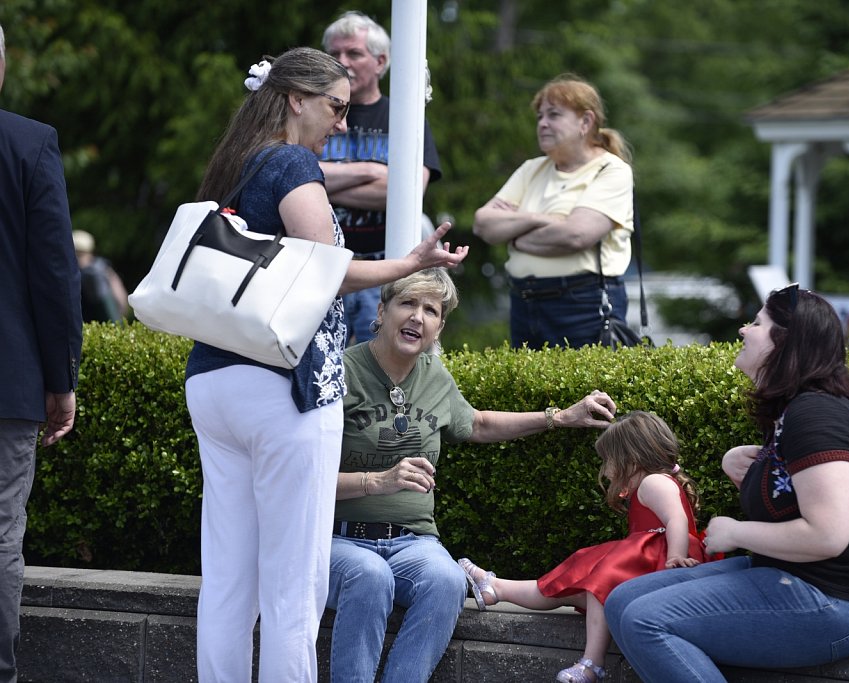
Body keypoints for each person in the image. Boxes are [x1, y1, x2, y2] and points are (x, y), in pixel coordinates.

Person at [183, 48, 467, 682]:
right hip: (283, 385)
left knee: (229, 576)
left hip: (214, 380)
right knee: (294, 582)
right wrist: (408, 263)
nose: (342, 122)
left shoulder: (236, 162)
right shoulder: (290, 159)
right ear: (296, 100)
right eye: (336, 106)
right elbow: (324, 269)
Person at [327, 267, 617, 683]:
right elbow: (297, 476)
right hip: (339, 537)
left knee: (447, 580)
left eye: (431, 310)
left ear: (439, 327)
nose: (417, 317)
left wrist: (560, 417)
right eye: (407, 303)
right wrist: (377, 481)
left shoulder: (434, 377)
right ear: (381, 310)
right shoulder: (341, 373)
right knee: (370, 577)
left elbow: (477, 424)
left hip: (412, 541)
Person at [604, 284, 849, 682]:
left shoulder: (814, 414)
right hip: (798, 580)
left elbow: (828, 535)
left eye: (757, 323)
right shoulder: (795, 411)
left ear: (784, 342)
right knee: (623, 598)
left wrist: (736, 531)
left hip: (842, 603)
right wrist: (743, 462)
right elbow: (793, 495)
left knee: (644, 619)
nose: (744, 330)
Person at [459, 411, 720, 683]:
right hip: (653, 560)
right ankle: (495, 587)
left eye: (608, 460)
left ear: (631, 459)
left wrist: (676, 556)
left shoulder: (654, 481)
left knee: (600, 582)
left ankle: (591, 665)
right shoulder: (655, 481)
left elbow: (675, 518)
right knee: (575, 587)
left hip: (663, 561)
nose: (605, 469)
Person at [0, 22, 83, 683]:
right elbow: (55, 273)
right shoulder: (29, 143)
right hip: (10, 379)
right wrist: (63, 378)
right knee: (0, 532)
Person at [472, 73, 634, 350]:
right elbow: (483, 224)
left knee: (586, 392)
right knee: (526, 393)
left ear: (586, 122)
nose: (542, 124)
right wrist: (541, 219)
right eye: (540, 116)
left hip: (583, 304)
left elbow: (575, 236)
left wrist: (516, 236)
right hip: (524, 302)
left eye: (554, 115)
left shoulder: (611, 170)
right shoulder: (531, 169)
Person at [320, 10, 443, 345]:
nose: (342, 61)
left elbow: (410, 190)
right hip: (323, 270)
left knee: (385, 368)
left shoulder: (404, 115)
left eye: (353, 53)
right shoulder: (314, 112)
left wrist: (323, 183)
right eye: (334, 54)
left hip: (386, 270)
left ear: (380, 61)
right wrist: (372, 172)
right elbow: (293, 176)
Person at [72, 229, 129, 323]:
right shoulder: (104, 267)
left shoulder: (93, 273)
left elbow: (115, 306)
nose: (77, 260)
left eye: (80, 255)